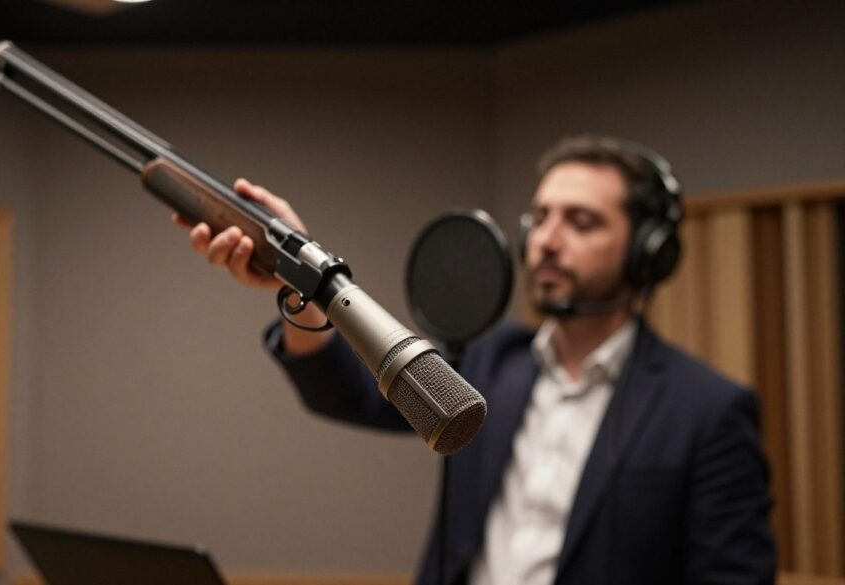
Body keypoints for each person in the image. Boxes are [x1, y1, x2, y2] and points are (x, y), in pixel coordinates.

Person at [174, 135, 776, 585]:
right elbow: (345, 392)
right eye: (540, 218)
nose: (546, 240)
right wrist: (300, 276)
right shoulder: (490, 361)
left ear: (649, 251)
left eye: (581, 222)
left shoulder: (708, 411)